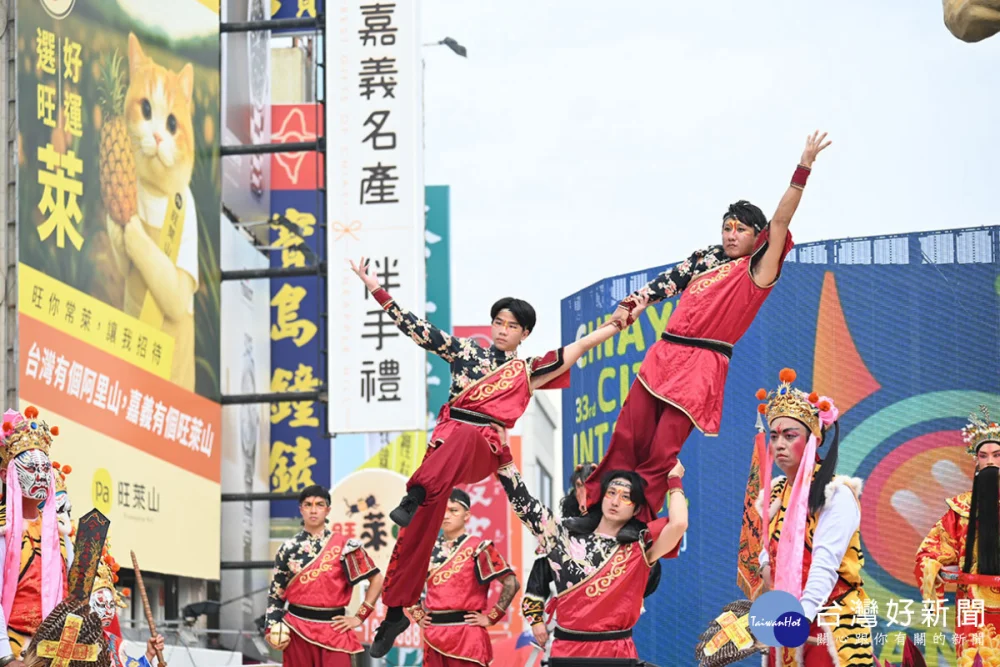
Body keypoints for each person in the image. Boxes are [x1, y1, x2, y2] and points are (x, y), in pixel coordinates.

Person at [350, 256, 651, 656]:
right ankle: (393, 613)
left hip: (484, 448)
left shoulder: (527, 370)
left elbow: (579, 346)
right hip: (445, 448)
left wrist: (619, 323)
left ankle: (415, 494)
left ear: (524, 334)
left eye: (512, 326)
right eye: (498, 323)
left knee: (466, 442)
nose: (502, 330)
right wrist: (375, 288)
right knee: (415, 533)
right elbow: (417, 329)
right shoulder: (463, 352)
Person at [584, 132, 832, 523]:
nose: (731, 235)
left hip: (701, 365)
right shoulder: (707, 259)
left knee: (662, 450)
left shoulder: (758, 269)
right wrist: (634, 303)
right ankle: (592, 507)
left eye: (741, 229)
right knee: (627, 435)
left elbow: (781, 220)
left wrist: (804, 167)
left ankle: (638, 521)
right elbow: (668, 281)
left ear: (757, 236)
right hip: (665, 354)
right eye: (727, 227)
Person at [495, 426, 687, 664]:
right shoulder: (562, 536)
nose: (615, 501)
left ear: (636, 508)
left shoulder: (639, 548)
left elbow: (679, 524)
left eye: (625, 497)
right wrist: (503, 453)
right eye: (611, 493)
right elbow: (524, 503)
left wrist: (674, 479)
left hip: (616, 655)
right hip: (568, 654)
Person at [747, 369, 874, 666]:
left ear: (812, 440)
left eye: (790, 436)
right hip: (788, 620)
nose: (779, 444)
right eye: (774, 436)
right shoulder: (776, 493)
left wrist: (799, 618)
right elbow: (767, 551)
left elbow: (824, 566)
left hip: (831, 624)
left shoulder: (835, 494)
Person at [522, 463, 663, 664]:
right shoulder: (566, 533)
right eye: (580, 486)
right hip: (567, 630)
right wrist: (536, 619)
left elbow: (646, 579)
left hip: (611, 633)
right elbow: (540, 575)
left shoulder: (632, 543)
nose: (584, 492)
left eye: (589, 485)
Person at [915, 406, 1000, 667]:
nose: (990, 462)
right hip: (974, 608)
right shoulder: (961, 510)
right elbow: (928, 553)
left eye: (997, 455)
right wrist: (933, 567)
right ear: (976, 462)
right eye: (983, 456)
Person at [265, 485, 384, 666]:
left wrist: (359, 617)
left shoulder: (345, 546)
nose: (313, 510)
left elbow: (377, 579)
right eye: (308, 505)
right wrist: (271, 628)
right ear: (301, 509)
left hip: (335, 629)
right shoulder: (287, 549)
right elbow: (276, 595)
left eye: (319, 505)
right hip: (296, 629)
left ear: (328, 510)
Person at [406, 489, 519, 666]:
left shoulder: (479, 548)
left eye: (453, 510)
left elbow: (511, 582)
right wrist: (417, 614)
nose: (446, 516)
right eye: (442, 510)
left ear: (467, 515)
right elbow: (407, 585)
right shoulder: (427, 549)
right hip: (433, 635)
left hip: (468, 635)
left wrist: (491, 617)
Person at [0, 407, 73, 664]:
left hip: (53, 653)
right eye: (32, 468)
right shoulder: (3, 528)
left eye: (45, 469)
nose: (41, 476)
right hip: (12, 648)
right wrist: (5, 657)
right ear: (6, 474)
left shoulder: (59, 533)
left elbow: (73, 597)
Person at [87, 541, 163, 667]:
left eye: (111, 605)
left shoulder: (113, 643)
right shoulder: (68, 639)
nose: (108, 611)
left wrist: (149, 655)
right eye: (101, 605)